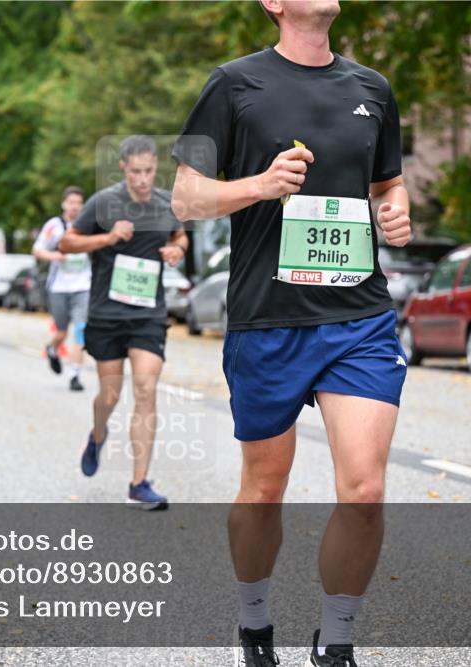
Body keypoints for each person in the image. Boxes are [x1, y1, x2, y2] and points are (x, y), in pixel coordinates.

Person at [171, 2, 413, 665]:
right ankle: (254, 624)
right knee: (263, 487)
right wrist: (259, 184)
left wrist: (395, 214)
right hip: (268, 316)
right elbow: (185, 196)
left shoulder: (372, 89)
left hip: (358, 317)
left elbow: (389, 183)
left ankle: (335, 641)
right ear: (272, 3)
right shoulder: (233, 84)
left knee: (364, 491)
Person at [60, 135, 188, 510]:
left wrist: (177, 249)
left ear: (155, 167)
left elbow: (180, 236)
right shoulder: (104, 202)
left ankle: (138, 483)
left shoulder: (166, 203)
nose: (143, 179)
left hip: (148, 315)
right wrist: (108, 237)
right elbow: (67, 243)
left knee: (145, 388)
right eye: (136, 172)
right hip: (107, 314)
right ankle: (98, 434)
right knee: (110, 395)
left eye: (148, 171)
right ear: (123, 168)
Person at [32, 186, 90, 391]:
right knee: (62, 332)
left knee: (81, 329)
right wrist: (54, 256)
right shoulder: (54, 226)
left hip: (83, 286)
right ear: (64, 204)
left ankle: (75, 375)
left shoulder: (88, 224)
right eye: (71, 202)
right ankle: (52, 348)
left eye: (79, 203)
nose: (75, 207)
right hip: (59, 287)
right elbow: (37, 250)